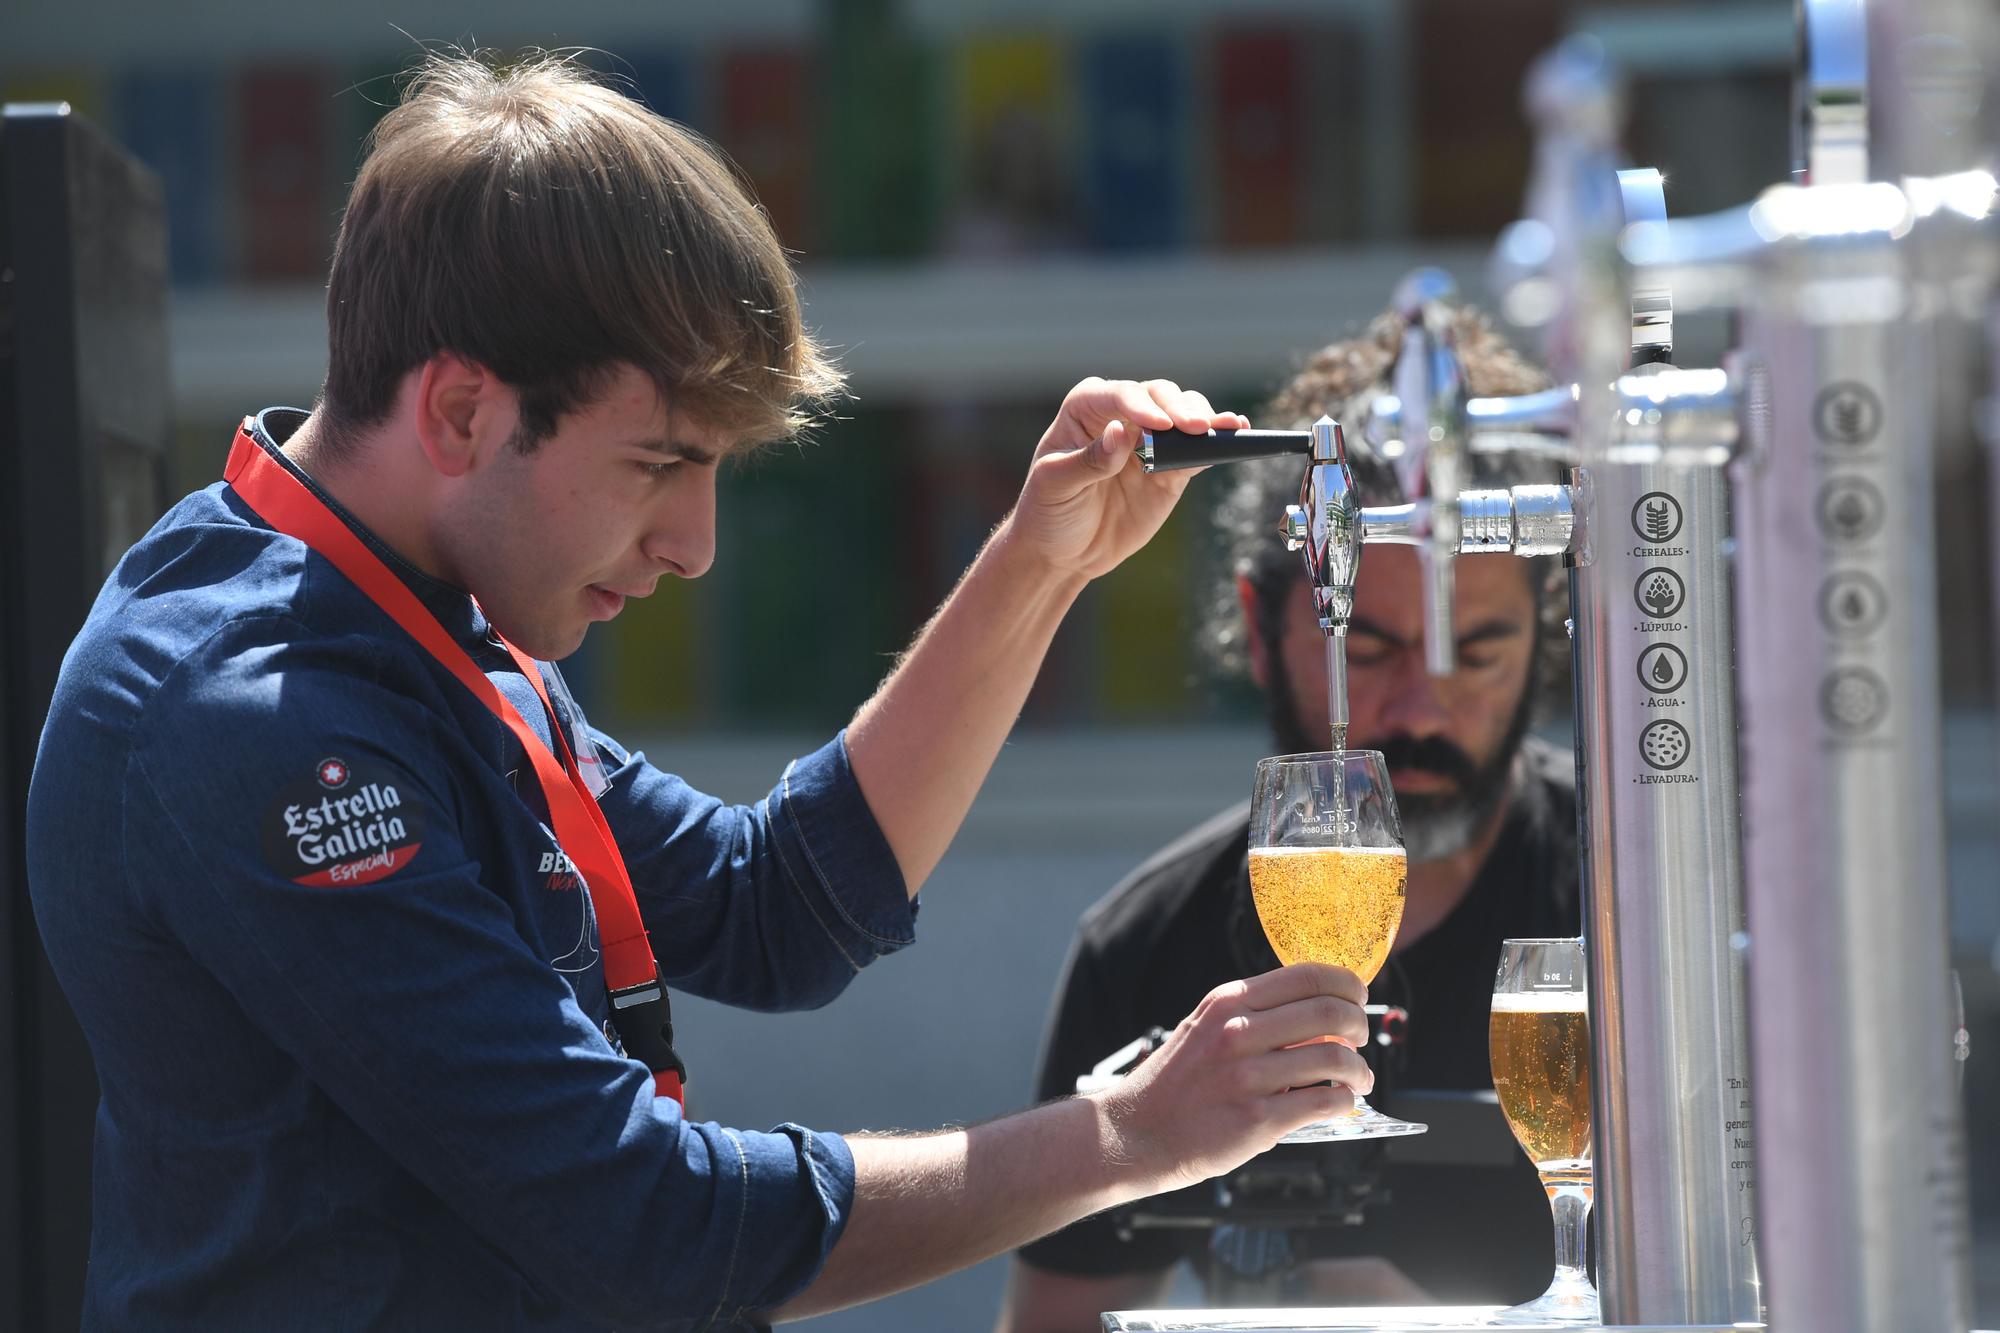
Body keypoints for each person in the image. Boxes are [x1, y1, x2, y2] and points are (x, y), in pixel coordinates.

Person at [25, 53, 1376, 1331]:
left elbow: (773, 911)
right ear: (456, 414)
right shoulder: (258, 716)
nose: (696, 545)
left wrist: (1039, 563)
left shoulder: (419, 608)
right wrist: (1128, 1135)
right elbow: (642, 1222)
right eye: (659, 464)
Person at [997, 307, 1584, 1332]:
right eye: (1366, 651)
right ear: (1263, 628)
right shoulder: (1146, 947)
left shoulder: (1635, 897)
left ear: (1545, 639)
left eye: (1478, 651)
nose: (1419, 708)